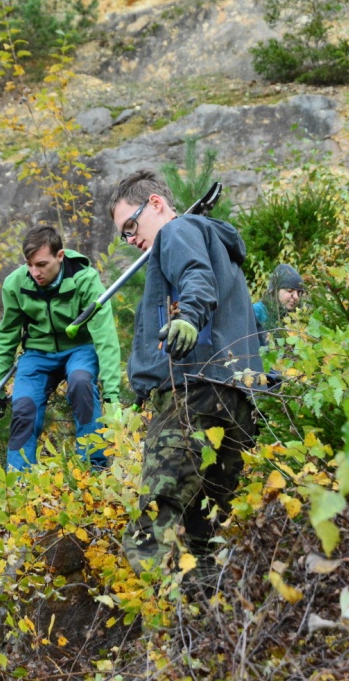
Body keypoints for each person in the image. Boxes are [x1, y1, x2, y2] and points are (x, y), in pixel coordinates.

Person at [109, 169, 265, 576]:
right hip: (237, 401)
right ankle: (208, 627)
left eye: (131, 226)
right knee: (207, 533)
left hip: (194, 390)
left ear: (156, 205)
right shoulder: (216, 244)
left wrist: (190, 317)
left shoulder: (177, 233)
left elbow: (196, 279)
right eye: (123, 235)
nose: (130, 240)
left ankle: (133, 624)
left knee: (156, 514)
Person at [0, 225, 121, 470]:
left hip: (80, 347)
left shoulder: (86, 279)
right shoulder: (15, 284)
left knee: (81, 381)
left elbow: (106, 337)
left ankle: (93, 467)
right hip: (37, 352)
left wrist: (113, 394)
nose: (34, 272)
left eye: (41, 264)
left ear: (60, 256)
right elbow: (7, 336)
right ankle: (17, 481)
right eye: (29, 264)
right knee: (24, 405)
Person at [253, 263, 305, 346]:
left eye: (299, 293)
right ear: (275, 291)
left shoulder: (296, 318)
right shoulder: (256, 312)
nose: (296, 297)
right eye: (290, 291)